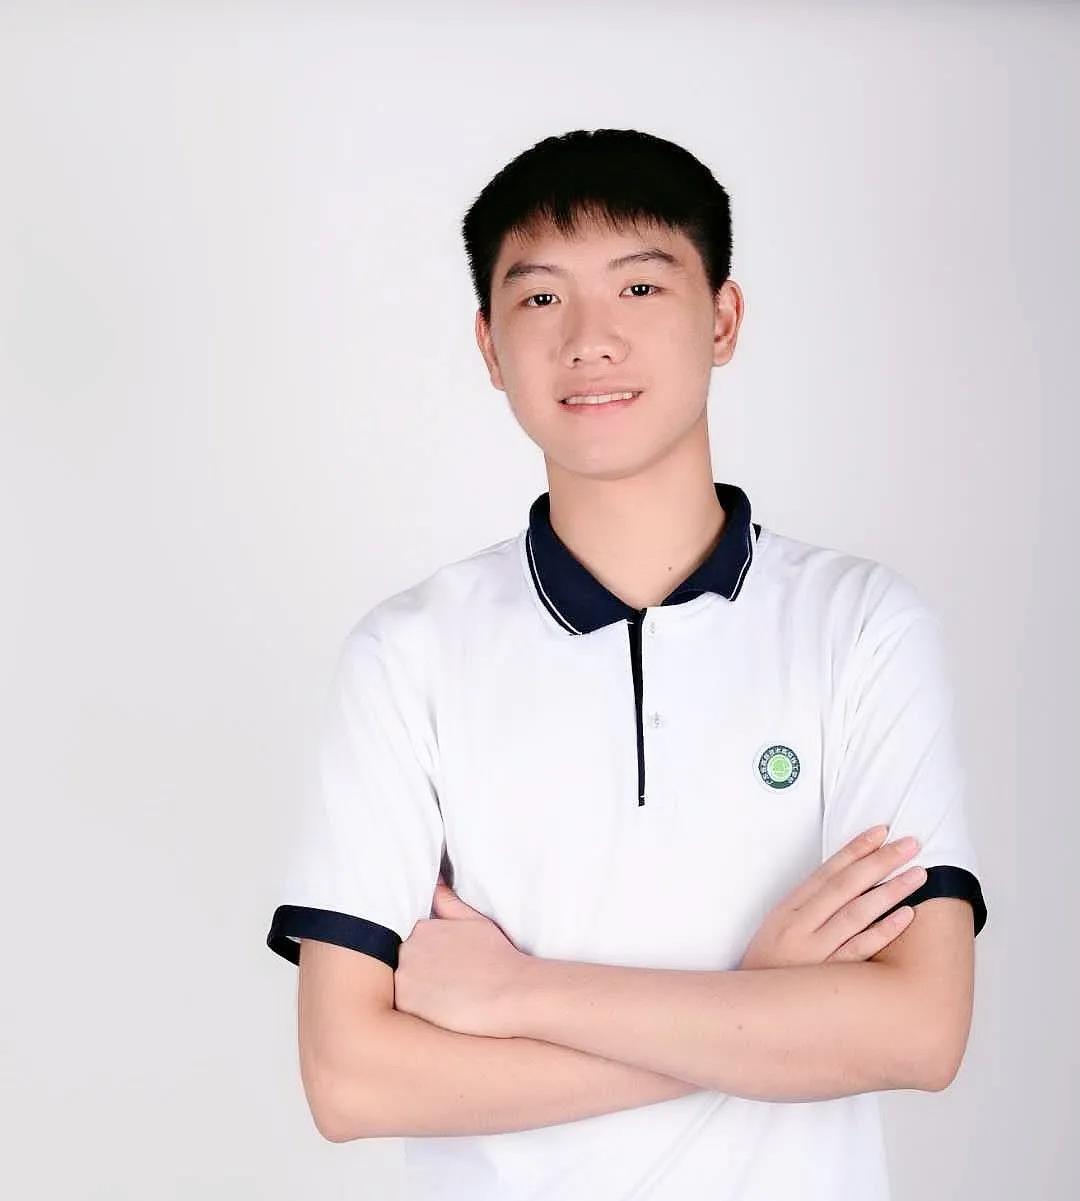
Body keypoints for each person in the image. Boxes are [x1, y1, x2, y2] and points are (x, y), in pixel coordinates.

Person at [266, 128, 987, 1200]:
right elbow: (350, 1080)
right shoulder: (406, 654)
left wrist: (518, 994)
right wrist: (760, 1005)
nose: (590, 340)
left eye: (640, 286)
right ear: (489, 345)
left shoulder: (862, 627)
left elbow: (919, 1030)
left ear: (723, 320)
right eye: (541, 297)